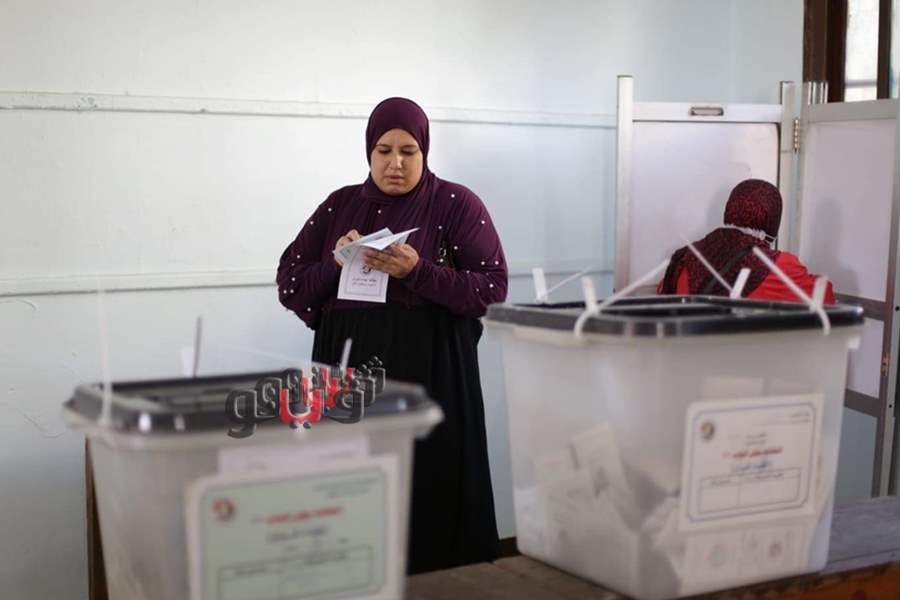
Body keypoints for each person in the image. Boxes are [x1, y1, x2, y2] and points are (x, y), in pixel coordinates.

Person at [276, 97, 505, 573]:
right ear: (369, 151)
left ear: (425, 150)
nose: (395, 163)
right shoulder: (340, 205)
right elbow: (291, 283)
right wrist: (335, 264)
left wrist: (418, 272)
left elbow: (491, 288)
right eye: (383, 151)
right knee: (352, 482)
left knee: (430, 481)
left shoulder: (455, 204)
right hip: (348, 370)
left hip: (431, 372)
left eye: (408, 151)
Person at [658, 179, 835, 303]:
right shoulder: (778, 266)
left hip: (688, 346)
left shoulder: (685, 257)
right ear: (772, 221)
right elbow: (824, 297)